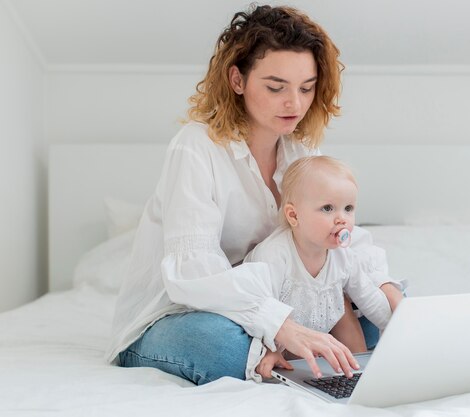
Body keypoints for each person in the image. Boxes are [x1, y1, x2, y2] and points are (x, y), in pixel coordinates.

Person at [106, 4, 401, 384]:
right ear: (237, 80)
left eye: (306, 88)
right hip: (182, 312)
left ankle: (296, 348)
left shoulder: (299, 151)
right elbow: (193, 271)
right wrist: (278, 324)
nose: (294, 103)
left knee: (381, 311)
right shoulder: (195, 147)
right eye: (276, 87)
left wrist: (385, 288)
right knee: (225, 347)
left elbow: (334, 233)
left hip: (273, 305)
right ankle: (288, 346)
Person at [245, 156, 404, 379]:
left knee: (360, 317)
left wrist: (399, 324)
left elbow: (370, 300)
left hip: (321, 333)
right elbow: (260, 308)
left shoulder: (344, 256)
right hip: (282, 336)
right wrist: (268, 350)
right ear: (293, 215)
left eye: (348, 208)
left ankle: (358, 376)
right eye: (328, 208)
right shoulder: (274, 255)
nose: (342, 219)